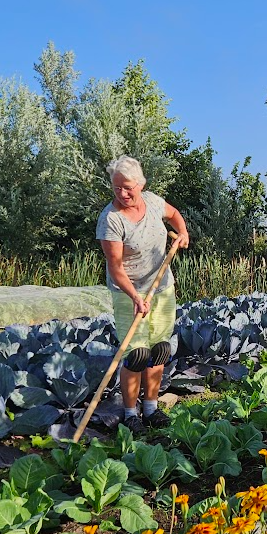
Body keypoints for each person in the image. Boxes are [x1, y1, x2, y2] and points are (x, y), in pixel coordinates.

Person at [96, 155, 189, 435]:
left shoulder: (152, 201)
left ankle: (151, 408)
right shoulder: (110, 220)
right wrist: (135, 297)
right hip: (129, 292)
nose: (122, 194)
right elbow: (116, 268)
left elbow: (173, 214)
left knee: (160, 349)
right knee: (137, 354)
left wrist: (182, 232)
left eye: (128, 188)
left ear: (141, 184)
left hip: (161, 288)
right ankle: (130, 413)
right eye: (117, 188)